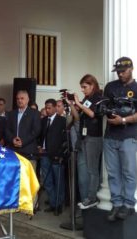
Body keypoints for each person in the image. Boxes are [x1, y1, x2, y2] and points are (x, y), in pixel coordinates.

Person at [103, 57, 137, 221]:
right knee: (112, 173)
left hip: (128, 135)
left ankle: (128, 204)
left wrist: (123, 120)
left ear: (131, 69)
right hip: (110, 135)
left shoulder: (136, 88)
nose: (120, 75)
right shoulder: (111, 87)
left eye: (123, 71)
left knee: (129, 172)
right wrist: (107, 112)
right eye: (118, 72)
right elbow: (105, 106)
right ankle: (116, 203)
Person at [71, 74, 103, 210]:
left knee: (92, 170)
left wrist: (79, 103)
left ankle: (92, 197)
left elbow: (92, 114)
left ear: (92, 85)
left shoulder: (98, 97)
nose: (83, 90)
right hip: (84, 137)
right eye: (82, 87)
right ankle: (86, 198)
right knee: (84, 171)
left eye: (85, 87)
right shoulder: (87, 98)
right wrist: (72, 105)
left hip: (94, 137)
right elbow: (78, 117)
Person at [38, 99, 67, 216]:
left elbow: (64, 139)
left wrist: (60, 154)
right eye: (46, 108)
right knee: (47, 180)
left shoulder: (62, 120)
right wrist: (39, 146)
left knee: (58, 180)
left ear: (55, 107)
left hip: (56, 155)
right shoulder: (44, 120)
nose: (48, 110)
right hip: (44, 153)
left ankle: (59, 205)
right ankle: (53, 202)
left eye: (50, 108)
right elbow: (40, 135)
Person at [5, 90, 41, 166]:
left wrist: (23, 141)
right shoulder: (11, 113)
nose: (19, 100)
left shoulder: (35, 113)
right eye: (17, 99)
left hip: (28, 152)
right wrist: (12, 139)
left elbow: (36, 131)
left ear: (27, 100)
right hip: (14, 152)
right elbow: (7, 130)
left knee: (28, 177)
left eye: (22, 98)